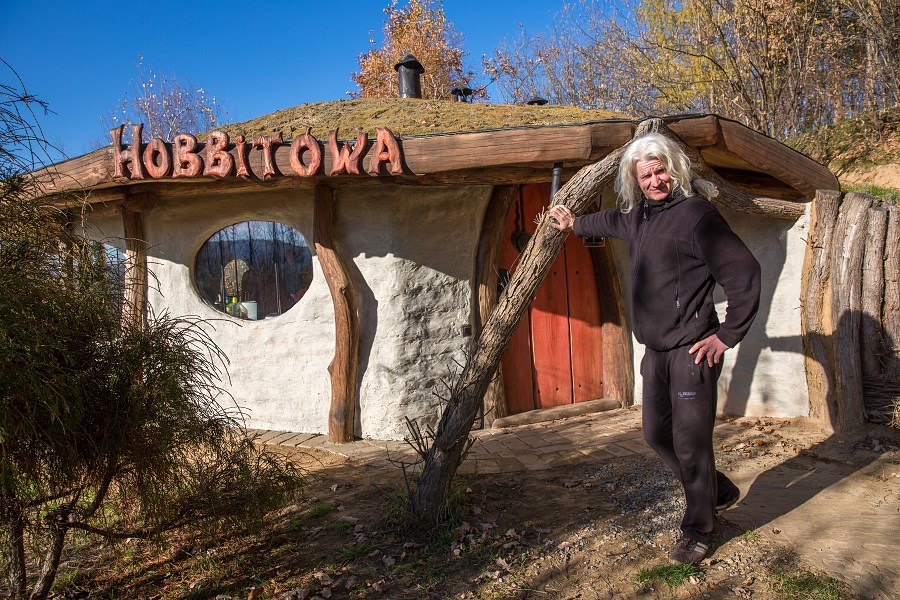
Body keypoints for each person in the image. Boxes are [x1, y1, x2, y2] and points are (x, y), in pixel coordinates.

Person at [548, 132, 761, 564]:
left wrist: (726, 335)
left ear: (674, 169)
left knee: (691, 443)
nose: (654, 181)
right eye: (645, 175)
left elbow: (744, 273)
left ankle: (699, 529)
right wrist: (573, 224)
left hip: (692, 351)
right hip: (656, 352)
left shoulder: (698, 216)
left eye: (660, 171)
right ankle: (717, 490)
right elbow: (608, 221)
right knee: (655, 433)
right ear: (635, 180)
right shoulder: (639, 216)